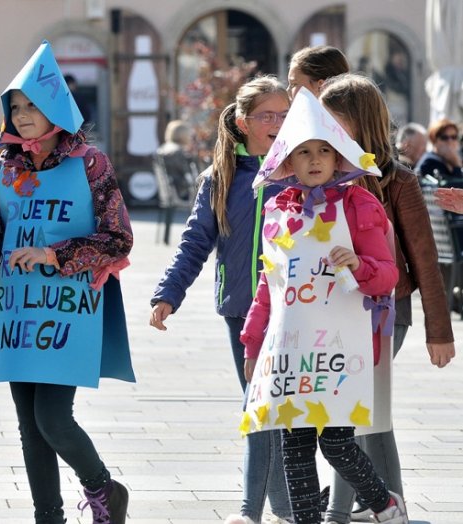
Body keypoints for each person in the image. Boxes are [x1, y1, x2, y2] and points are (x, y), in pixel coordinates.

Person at [0, 41, 134, 524]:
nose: (23, 114)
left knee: (53, 418)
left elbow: (117, 238)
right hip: (17, 310)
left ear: (57, 108)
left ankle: (103, 488)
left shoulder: (91, 164)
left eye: (33, 105)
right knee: (28, 425)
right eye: (15, 107)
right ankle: (48, 517)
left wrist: (54, 255)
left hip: (68, 311)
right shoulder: (5, 168)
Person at [241, 86, 408, 524]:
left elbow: (388, 275)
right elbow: (269, 283)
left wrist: (359, 263)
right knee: (293, 447)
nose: (314, 160)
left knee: (335, 443)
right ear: (287, 161)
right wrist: (253, 342)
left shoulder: (360, 204)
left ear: (338, 158)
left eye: (323, 151)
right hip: (292, 351)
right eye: (303, 152)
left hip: (342, 349)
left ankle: (384, 502)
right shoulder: (277, 208)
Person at [149, 76, 293, 524]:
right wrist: (167, 295)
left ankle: (277, 511)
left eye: (285, 115)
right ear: (244, 122)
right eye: (268, 115)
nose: (278, 123)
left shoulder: (301, 167)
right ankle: (261, 513)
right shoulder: (221, 177)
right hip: (242, 310)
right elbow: (194, 243)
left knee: (277, 411)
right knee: (259, 406)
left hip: (296, 308)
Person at [320, 73, 456, 523]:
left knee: (349, 412)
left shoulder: (398, 180)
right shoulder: (317, 171)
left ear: (361, 122)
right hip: (329, 309)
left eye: (336, 120)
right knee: (362, 412)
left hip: (385, 312)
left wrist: (440, 332)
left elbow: (426, 260)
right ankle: (388, 504)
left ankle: (344, 512)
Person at [155, 119, 197, 201]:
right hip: (182, 191)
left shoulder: (162, 149)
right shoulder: (178, 152)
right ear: (183, 134)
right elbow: (187, 174)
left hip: (168, 191)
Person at [415, 118, 463, 183]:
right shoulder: (430, 161)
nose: (450, 141)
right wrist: (456, 165)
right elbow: (454, 188)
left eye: (453, 137)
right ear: (434, 140)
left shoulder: (446, 160)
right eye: (444, 137)